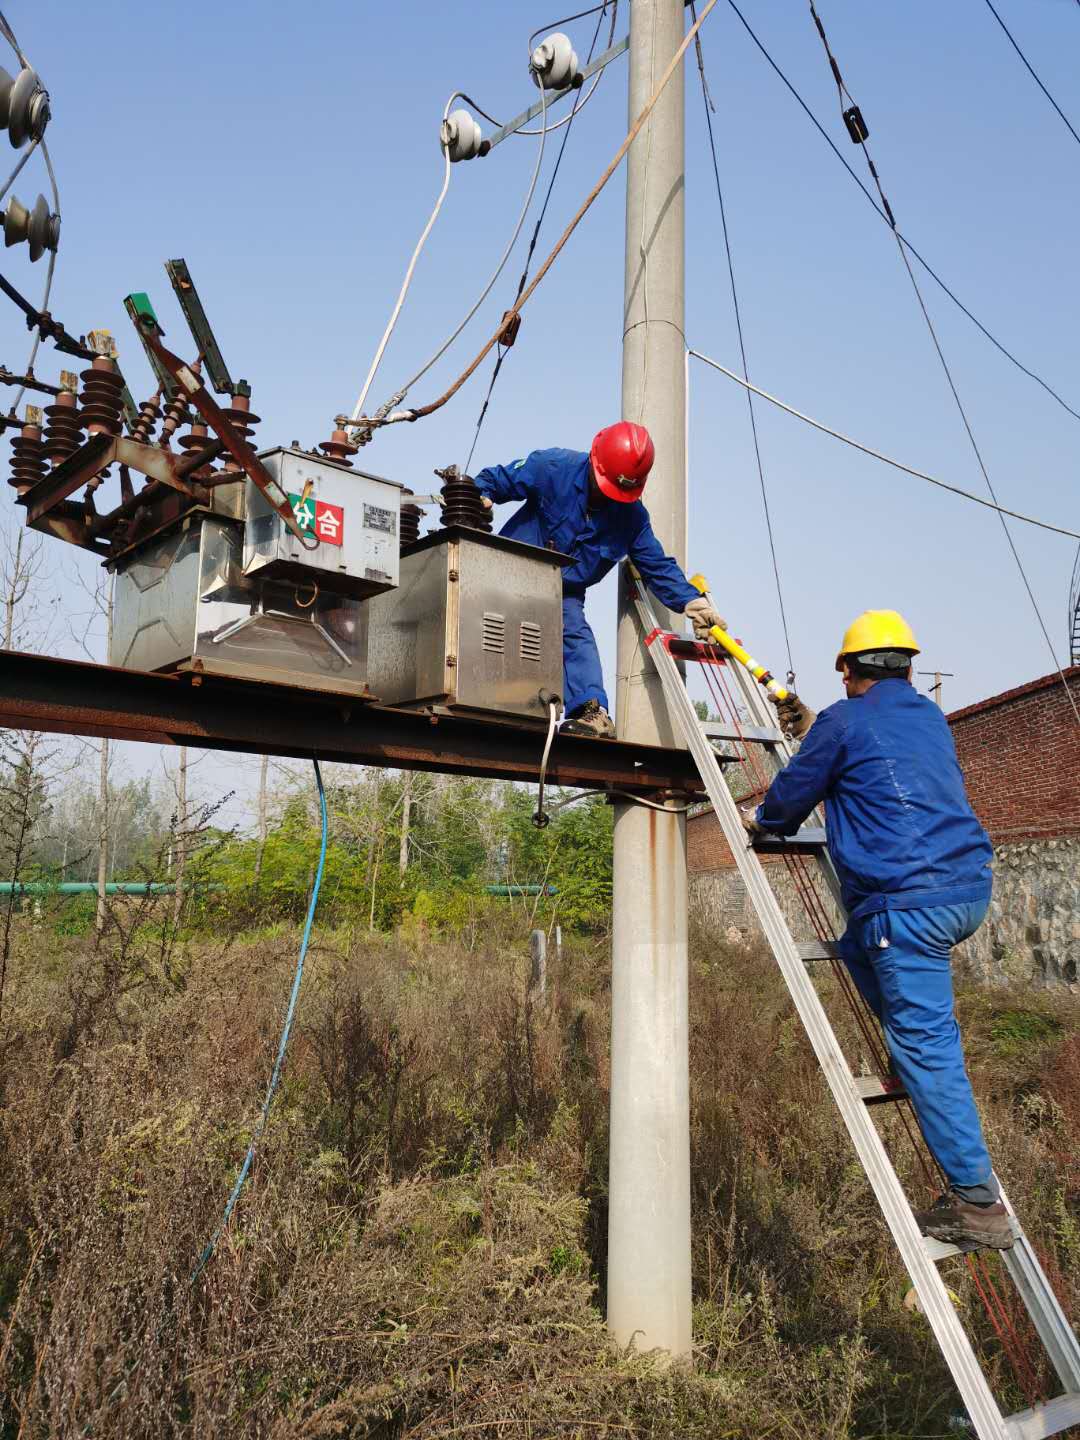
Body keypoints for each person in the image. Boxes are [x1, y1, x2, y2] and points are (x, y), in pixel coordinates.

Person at [743, 610, 1011, 1251]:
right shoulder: (927, 718)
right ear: (909, 666)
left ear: (846, 670)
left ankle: (978, 1206)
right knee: (865, 944)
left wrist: (765, 819)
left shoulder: (842, 721)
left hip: (909, 905)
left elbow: (791, 797)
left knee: (926, 1044)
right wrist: (819, 731)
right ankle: (912, 1052)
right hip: (966, 890)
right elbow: (879, 759)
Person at [472, 422, 723, 736]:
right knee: (476, 629)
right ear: (594, 460)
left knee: (575, 634)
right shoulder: (553, 467)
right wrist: (479, 495)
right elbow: (498, 480)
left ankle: (591, 713)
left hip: (562, 592)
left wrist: (692, 602)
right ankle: (472, 694)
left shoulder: (631, 517)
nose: (609, 498)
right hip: (508, 571)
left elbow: (657, 566)